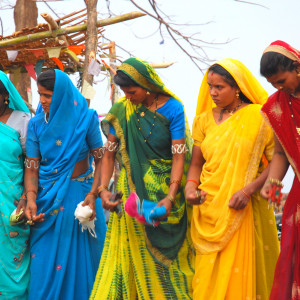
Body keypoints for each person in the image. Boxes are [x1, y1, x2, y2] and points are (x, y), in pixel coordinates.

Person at [90, 57, 195, 299]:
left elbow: (179, 157)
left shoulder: (173, 109)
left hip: (165, 195)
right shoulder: (121, 111)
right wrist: (103, 189)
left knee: (167, 268)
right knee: (128, 260)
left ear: (147, 84)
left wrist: (170, 197)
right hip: (132, 198)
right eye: (124, 92)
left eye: (132, 91)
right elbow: (109, 155)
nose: (128, 96)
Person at [185, 58, 280, 300]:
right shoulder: (203, 120)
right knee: (204, 281)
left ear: (236, 87)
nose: (213, 93)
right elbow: (197, 163)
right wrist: (190, 188)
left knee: (237, 278)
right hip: (206, 209)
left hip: (240, 208)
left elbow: (278, 160)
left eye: (219, 87)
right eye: (210, 86)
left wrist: (248, 191)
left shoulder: (259, 117)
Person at [24, 69, 107, 299]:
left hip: (80, 200)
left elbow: (102, 161)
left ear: (61, 94)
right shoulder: (36, 125)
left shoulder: (86, 119)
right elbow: (32, 167)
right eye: (40, 94)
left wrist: (93, 194)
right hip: (46, 202)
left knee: (82, 268)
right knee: (43, 269)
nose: (42, 101)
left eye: (48, 95)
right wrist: (31, 198)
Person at [260, 40, 300, 300]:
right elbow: (279, 152)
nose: (278, 87)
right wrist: (272, 183)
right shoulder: (276, 105)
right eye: (273, 83)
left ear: (297, 67)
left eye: (282, 80)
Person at [0, 71, 31, 299]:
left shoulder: (22, 121)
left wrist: (25, 199)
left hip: (12, 202)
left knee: (14, 258)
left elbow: (32, 164)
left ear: (5, 96)